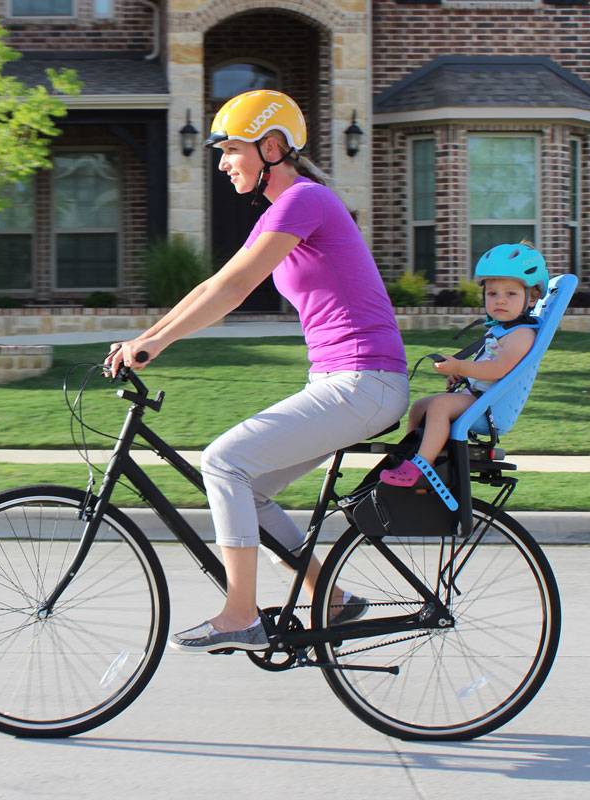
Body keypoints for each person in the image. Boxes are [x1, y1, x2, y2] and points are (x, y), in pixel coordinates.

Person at [106, 90, 409, 653]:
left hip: (363, 381)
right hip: (346, 383)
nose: (222, 162)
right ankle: (332, 598)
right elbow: (216, 285)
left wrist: (157, 343)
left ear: (272, 147)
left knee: (224, 462)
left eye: (232, 150)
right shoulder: (285, 210)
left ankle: (240, 614)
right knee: (252, 491)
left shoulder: (305, 200)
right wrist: (147, 340)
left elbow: (233, 288)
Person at [379, 242, 548, 490]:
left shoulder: (521, 334)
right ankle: (411, 454)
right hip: (478, 396)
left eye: (510, 294)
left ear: (531, 298)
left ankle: (422, 468)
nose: (500, 300)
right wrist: (462, 377)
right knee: (420, 406)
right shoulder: (504, 330)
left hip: (488, 407)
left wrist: (460, 367)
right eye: (492, 294)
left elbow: (497, 370)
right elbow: (486, 366)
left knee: (438, 406)